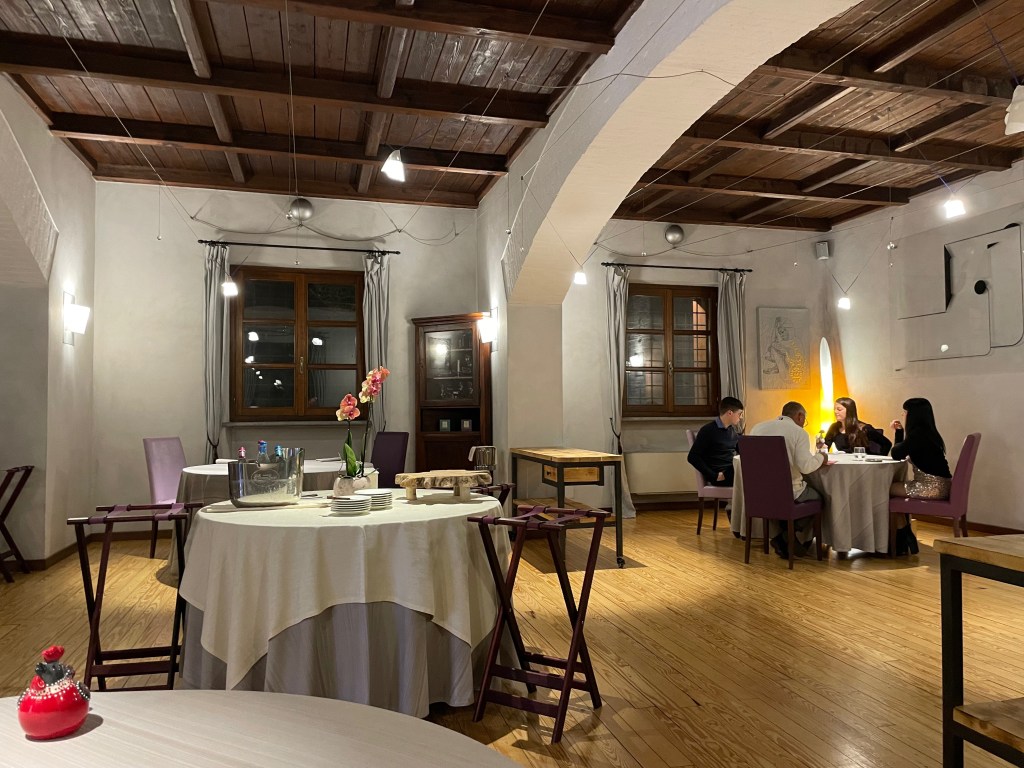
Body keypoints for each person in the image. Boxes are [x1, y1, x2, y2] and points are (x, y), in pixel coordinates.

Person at [749, 401, 830, 558]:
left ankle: (785, 537)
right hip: (788, 491)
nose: (804, 423)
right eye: (804, 419)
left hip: (760, 492)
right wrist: (821, 457)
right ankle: (786, 537)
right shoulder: (798, 433)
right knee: (820, 498)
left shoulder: (757, 428)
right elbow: (805, 467)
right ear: (799, 416)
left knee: (793, 499)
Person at [889, 397, 952, 554]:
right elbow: (900, 453)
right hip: (941, 485)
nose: (903, 415)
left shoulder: (917, 435)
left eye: (905, 412)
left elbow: (896, 454)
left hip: (930, 487)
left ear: (913, 415)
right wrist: (901, 432)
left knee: (884, 489)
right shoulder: (929, 433)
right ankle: (905, 536)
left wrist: (899, 432)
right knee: (893, 490)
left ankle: (903, 535)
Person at [687, 397, 744, 486]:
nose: (741, 417)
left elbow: (743, 452)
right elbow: (692, 457)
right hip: (721, 476)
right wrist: (714, 475)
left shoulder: (732, 431)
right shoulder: (708, 430)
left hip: (731, 471)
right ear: (730, 413)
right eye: (739, 414)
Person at [824, 397, 892, 455]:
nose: (835, 412)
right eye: (834, 409)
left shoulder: (864, 428)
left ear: (849, 411)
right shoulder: (834, 427)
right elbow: (825, 446)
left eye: (839, 409)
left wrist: (879, 460)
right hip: (843, 463)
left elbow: (887, 444)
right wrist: (821, 446)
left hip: (862, 463)